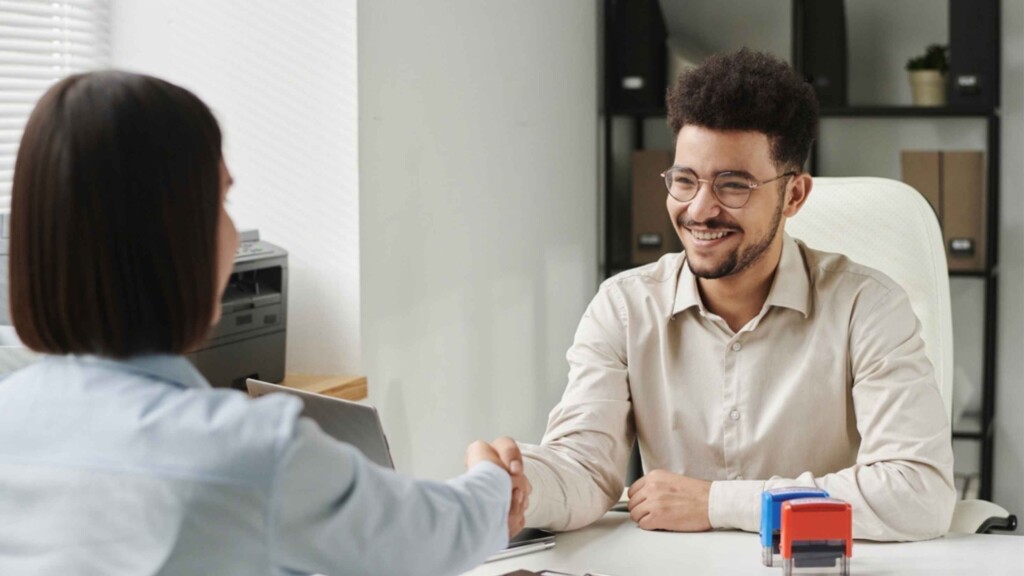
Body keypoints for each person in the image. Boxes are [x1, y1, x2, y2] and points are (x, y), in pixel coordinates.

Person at [0, 71, 525, 576]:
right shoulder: (248, 452)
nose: (232, 228)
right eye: (222, 200)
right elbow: (430, 539)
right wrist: (490, 478)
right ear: (171, 236)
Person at [507, 49, 956, 541]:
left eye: (733, 185)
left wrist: (717, 502)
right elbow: (583, 468)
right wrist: (517, 485)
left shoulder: (867, 308)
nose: (700, 210)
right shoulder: (623, 308)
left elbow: (918, 493)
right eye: (684, 181)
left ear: (795, 196)